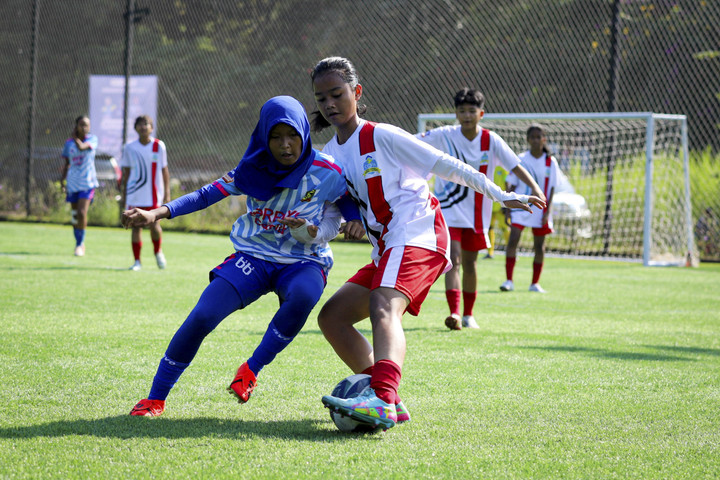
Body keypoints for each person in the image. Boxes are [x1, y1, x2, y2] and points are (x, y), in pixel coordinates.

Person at [310, 57, 545, 430]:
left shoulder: (382, 136)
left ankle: (382, 397)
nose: (329, 104)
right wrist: (313, 230)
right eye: (321, 98)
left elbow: (446, 164)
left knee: (383, 304)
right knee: (332, 318)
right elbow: (335, 211)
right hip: (389, 246)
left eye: (337, 94)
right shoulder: (330, 156)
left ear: (357, 92)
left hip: (419, 233)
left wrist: (501, 195)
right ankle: (389, 399)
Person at [124, 96, 363, 417]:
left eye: (292, 135)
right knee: (202, 316)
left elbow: (345, 197)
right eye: (276, 137)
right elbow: (205, 194)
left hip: (304, 260)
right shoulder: (251, 168)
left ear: (304, 134)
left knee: (304, 296)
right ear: (264, 137)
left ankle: (251, 369)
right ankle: (155, 398)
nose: (285, 145)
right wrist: (157, 212)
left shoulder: (327, 169)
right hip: (254, 256)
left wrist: (354, 219)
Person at [417, 88, 545, 330]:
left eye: (471, 111)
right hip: (448, 211)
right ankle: (454, 313)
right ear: (456, 114)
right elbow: (410, 142)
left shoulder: (491, 140)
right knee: (453, 260)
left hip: (477, 215)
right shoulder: (443, 135)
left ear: (481, 113)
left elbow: (515, 165)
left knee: (470, 263)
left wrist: (535, 188)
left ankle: (468, 314)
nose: (467, 115)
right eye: (462, 111)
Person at [500, 123, 561, 293]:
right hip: (520, 207)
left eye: (538, 137)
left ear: (544, 139)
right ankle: (509, 281)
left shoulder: (550, 162)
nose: (535, 140)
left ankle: (535, 283)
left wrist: (548, 212)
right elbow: (511, 183)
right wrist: (508, 207)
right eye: (532, 137)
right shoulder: (520, 159)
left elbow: (552, 189)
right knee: (513, 240)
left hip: (540, 209)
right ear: (527, 140)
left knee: (539, 246)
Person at [120, 115, 171, 271]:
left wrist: (167, 193)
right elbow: (126, 173)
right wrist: (124, 195)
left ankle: (158, 252)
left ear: (151, 128)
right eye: (140, 124)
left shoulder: (158, 146)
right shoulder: (129, 147)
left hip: (153, 194)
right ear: (135, 128)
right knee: (135, 227)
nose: (143, 127)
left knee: (155, 225)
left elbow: (164, 170)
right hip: (135, 194)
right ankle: (137, 261)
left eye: (146, 124)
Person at [60, 115, 99, 257]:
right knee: (75, 215)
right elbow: (67, 164)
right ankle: (78, 242)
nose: (84, 127)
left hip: (87, 183)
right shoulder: (68, 143)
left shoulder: (92, 139)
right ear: (76, 126)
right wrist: (63, 181)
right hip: (73, 183)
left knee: (82, 213)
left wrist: (76, 138)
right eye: (81, 125)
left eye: (86, 125)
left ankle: (80, 244)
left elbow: (82, 148)